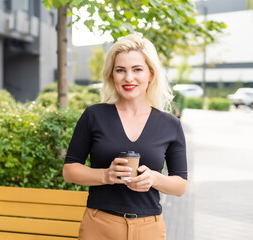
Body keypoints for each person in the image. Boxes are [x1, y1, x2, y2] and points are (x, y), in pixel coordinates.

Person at [64, 34, 187, 240]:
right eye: (120, 70)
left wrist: (154, 178)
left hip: (149, 228)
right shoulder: (94, 115)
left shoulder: (170, 124)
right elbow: (69, 170)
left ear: (151, 74)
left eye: (137, 69)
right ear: (112, 75)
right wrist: (105, 176)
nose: (128, 78)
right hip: (99, 226)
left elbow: (180, 185)